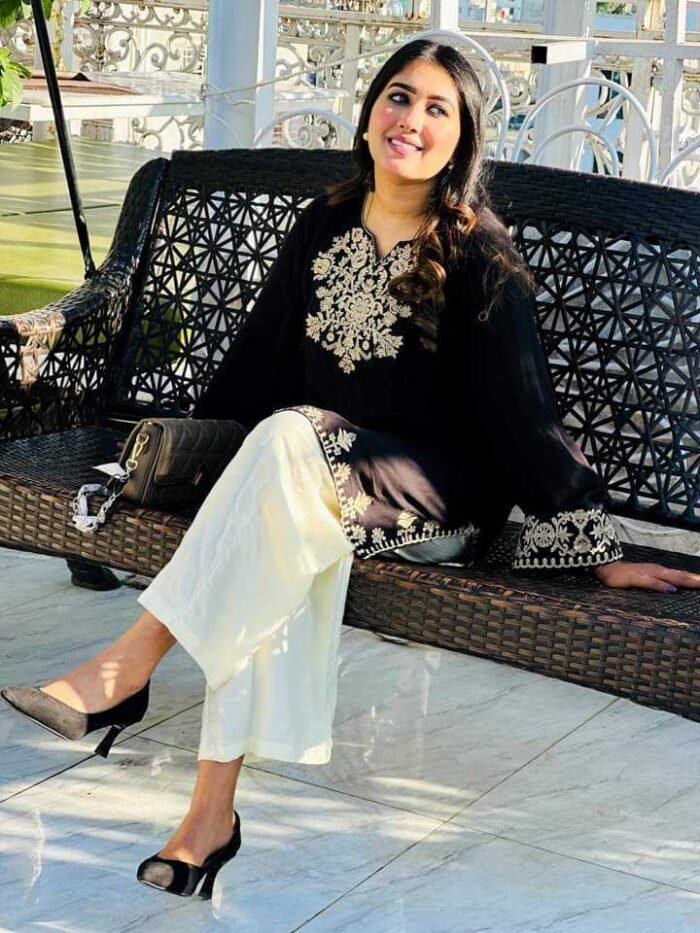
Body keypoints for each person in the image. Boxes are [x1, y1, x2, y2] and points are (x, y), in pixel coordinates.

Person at [3, 39, 700, 901]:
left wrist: (595, 541)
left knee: (286, 453)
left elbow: (523, 411)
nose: (411, 120)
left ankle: (130, 663)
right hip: (310, 478)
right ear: (370, 113)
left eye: (437, 109)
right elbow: (254, 367)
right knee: (275, 517)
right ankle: (206, 816)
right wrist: (195, 458)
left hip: (434, 498)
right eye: (399, 97)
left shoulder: (478, 253)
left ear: (462, 140)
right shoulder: (324, 224)